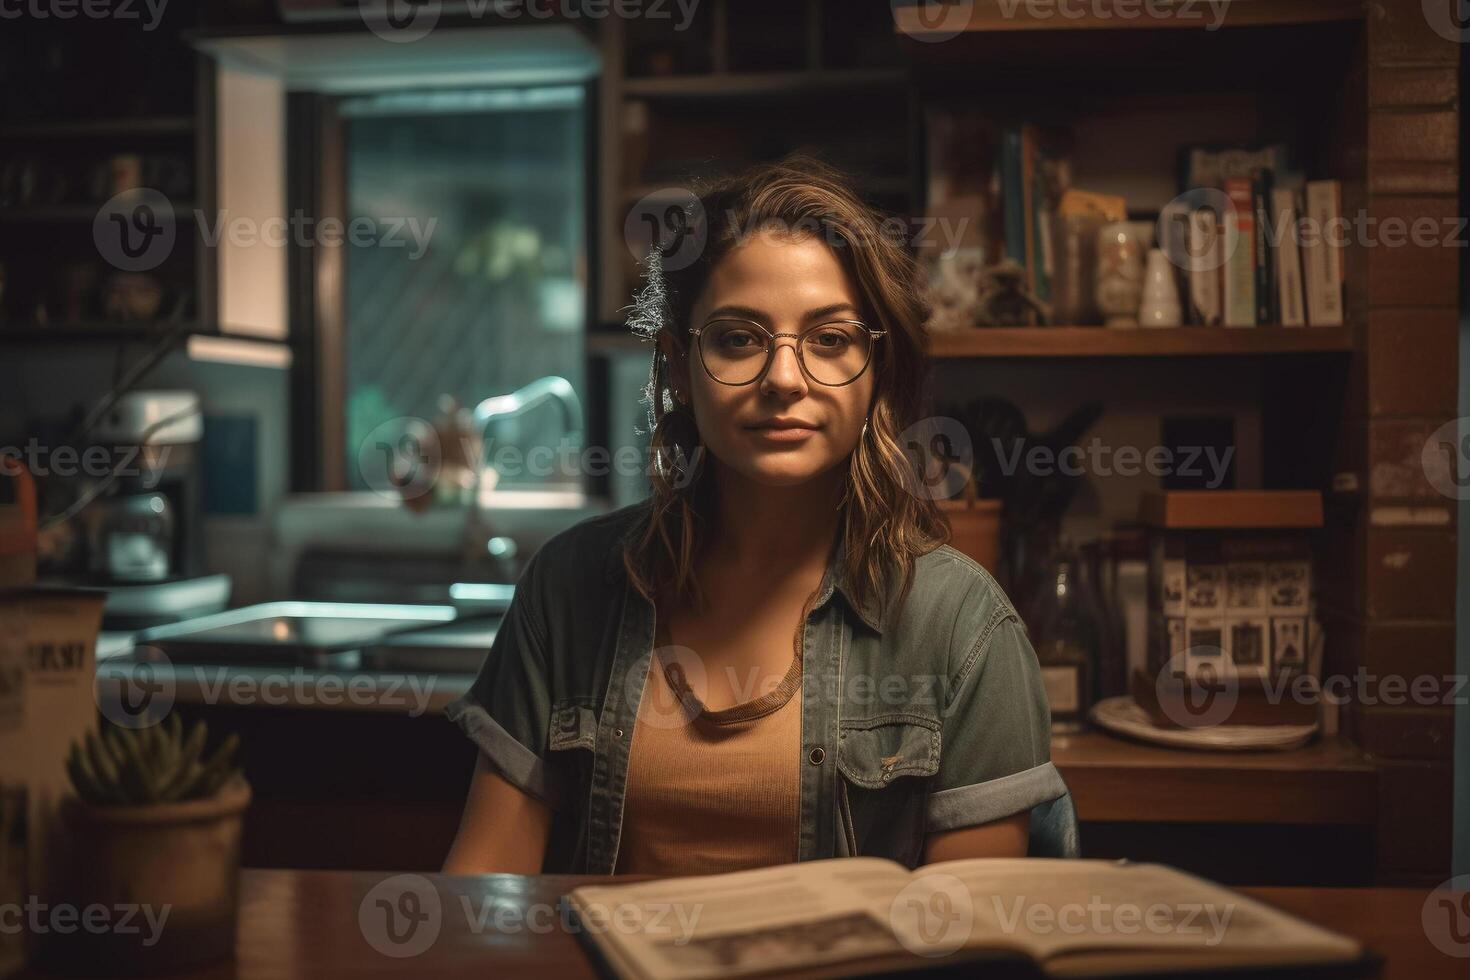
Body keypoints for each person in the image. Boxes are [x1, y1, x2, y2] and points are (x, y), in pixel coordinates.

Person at [443, 155, 1064, 876]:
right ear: (679, 365)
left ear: (878, 370)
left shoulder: (962, 626)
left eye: (830, 340)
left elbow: (970, 938)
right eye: (739, 338)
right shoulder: (569, 586)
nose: (784, 378)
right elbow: (481, 892)